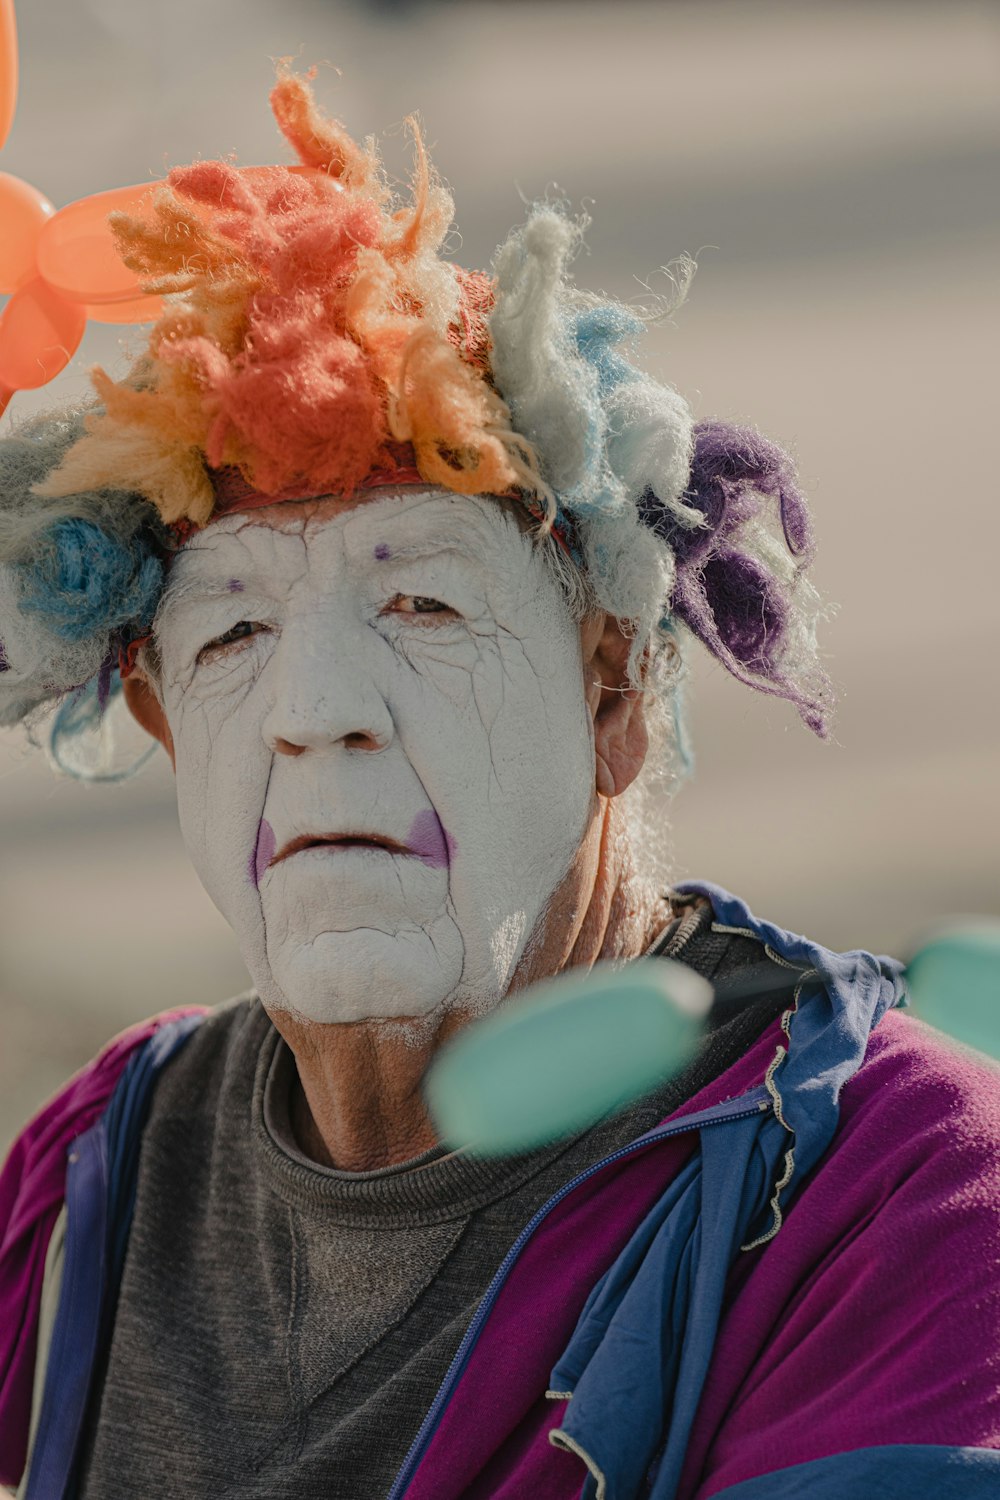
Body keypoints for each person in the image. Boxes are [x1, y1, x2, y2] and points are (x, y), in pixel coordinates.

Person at [1, 67, 998, 1500]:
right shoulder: (102, 1166)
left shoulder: (900, 1182)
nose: (316, 715)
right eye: (231, 631)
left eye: (424, 610)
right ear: (161, 721)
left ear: (613, 694)